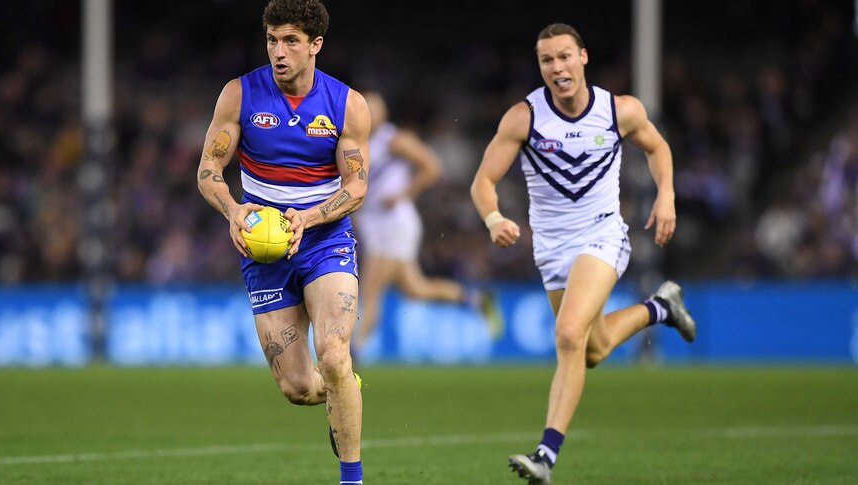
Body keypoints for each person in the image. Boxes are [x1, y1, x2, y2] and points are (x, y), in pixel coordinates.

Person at [469, 23, 696, 485]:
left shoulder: (620, 110)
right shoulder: (524, 117)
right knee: (591, 349)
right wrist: (494, 219)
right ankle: (661, 307)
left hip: (602, 235)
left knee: (569, 334)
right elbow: (483, 183)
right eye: (547, 60)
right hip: (552, 250)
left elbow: (657, 147)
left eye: (564, 57)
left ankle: (546, 456)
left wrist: (667, 193)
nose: (557, 67)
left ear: (583, 57)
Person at [196, 1, 369, 484]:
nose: (279, 51)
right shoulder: (239, 94)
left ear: (315, 45)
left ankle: (351, 478)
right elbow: (208, 171)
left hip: (324, 240)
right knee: (299, 387)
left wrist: (310, 218)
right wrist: (233, 210)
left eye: (291, 41)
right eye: (272, 40)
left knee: (333, 352)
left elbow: (356, 188)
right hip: (261, 249)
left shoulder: (346, 104)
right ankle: (344, 389)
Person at [352, 91, 499, 357]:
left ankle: (355, 351)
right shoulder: (357, 143)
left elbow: (432, 167)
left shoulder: (394, 140)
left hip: (393, 224)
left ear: (384, 113)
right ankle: (475, 299)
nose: (370, 115)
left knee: (370, 289)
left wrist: (403, 195)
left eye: (375, 109)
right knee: (415, 289)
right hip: (375, 226)